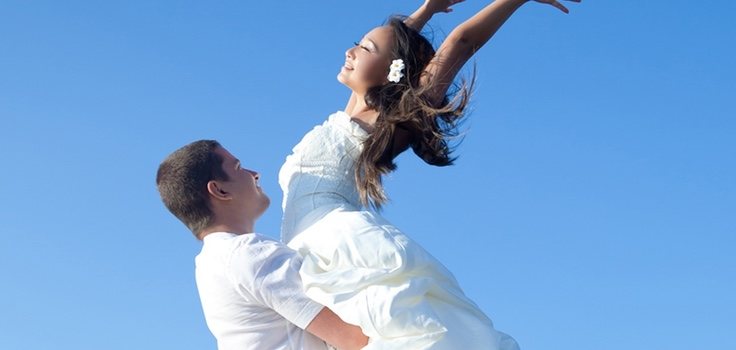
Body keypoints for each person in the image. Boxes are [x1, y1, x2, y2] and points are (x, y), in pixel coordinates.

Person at [278, 0, 579, 349]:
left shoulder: (389, 124)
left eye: (364, 48)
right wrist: (427, 9)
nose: (351, 51)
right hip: (313, 249)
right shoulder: (348, 115)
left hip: (338, 241)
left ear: (391, 69)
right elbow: (396, 46)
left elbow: (461, 42)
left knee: (406, 331)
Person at [156, 140, 368, 350]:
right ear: (220, 190)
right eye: (238, 167)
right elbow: (355, 339)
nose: (254, 173)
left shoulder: (210, 263)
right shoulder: (249, 253)